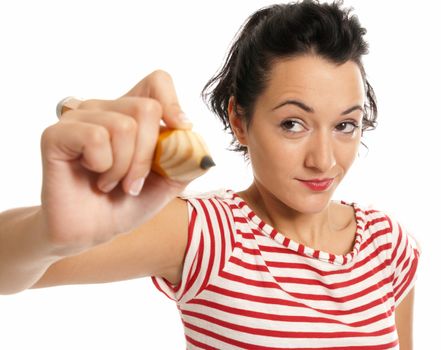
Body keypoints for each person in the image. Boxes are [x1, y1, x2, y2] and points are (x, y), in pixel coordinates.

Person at [0, 0, 419, 348]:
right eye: (293, 123)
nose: (324, 161)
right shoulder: (212, 234)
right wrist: (49, 235)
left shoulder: (388, 245)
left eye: (345, 125)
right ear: (239, 120)